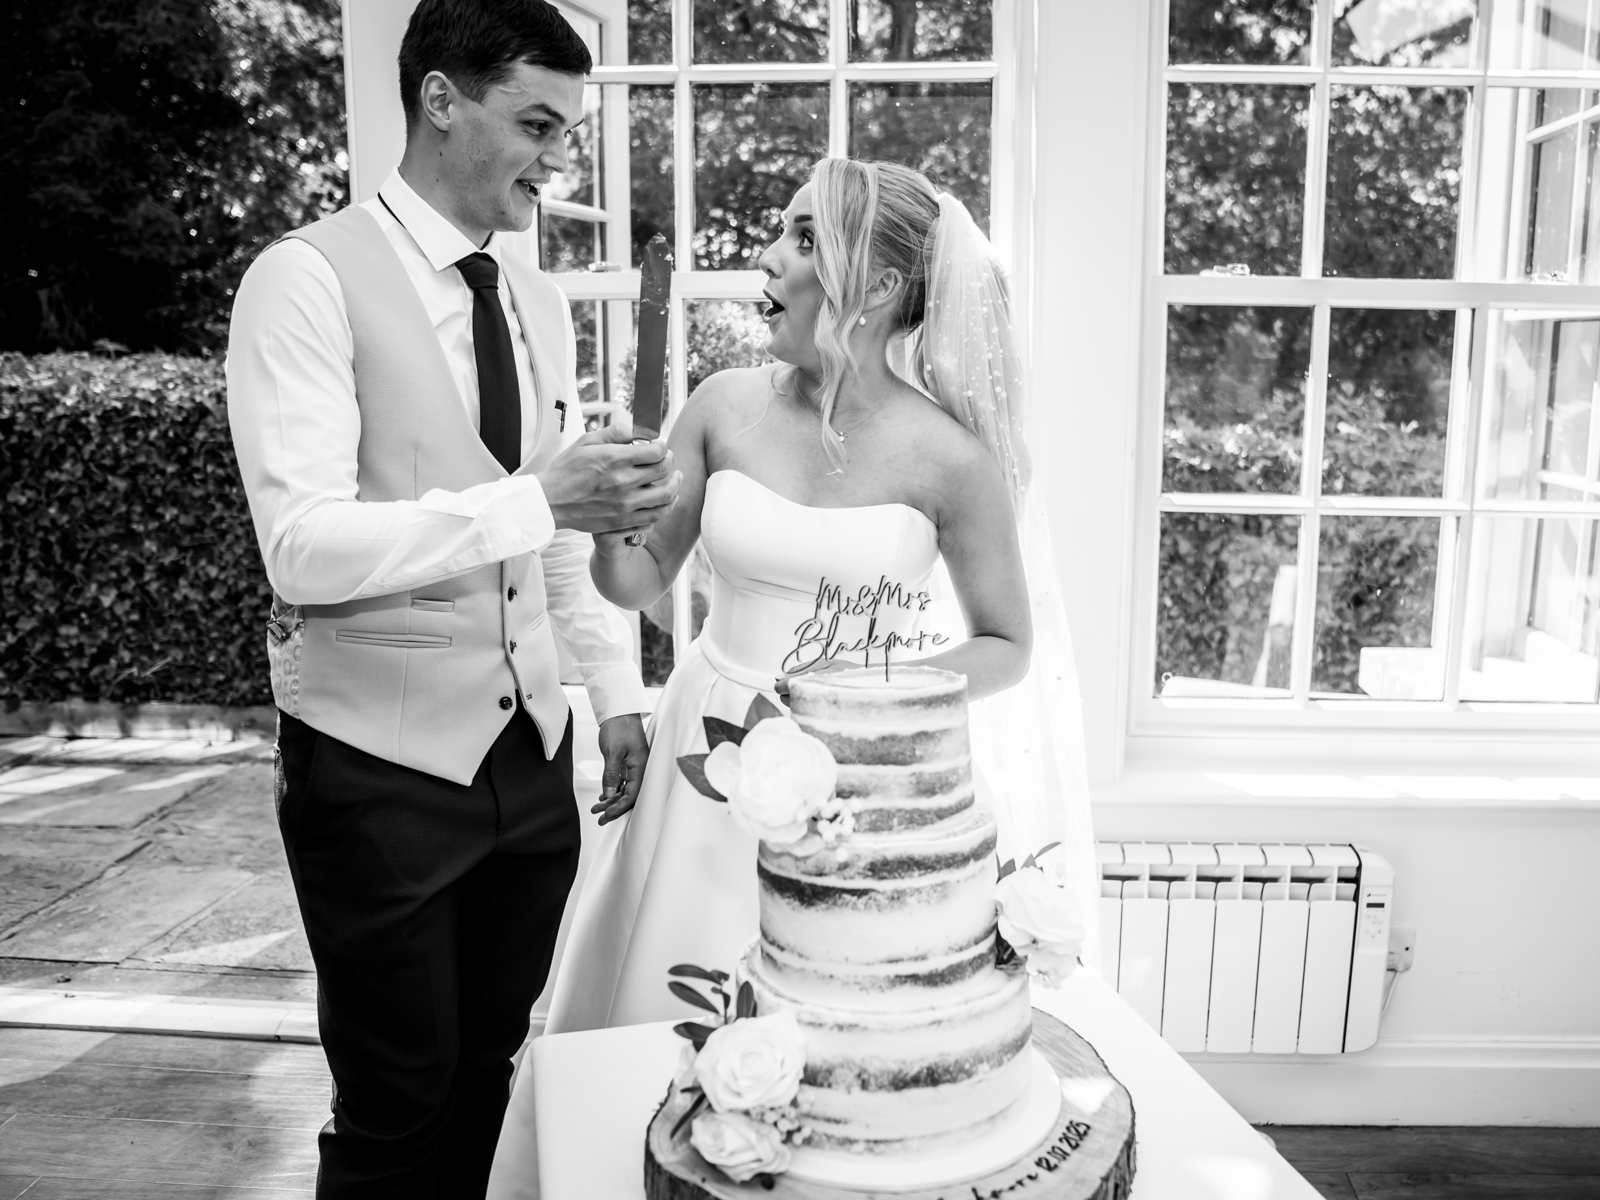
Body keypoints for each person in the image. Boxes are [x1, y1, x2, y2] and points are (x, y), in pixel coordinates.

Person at [224, 0, 676, 1193]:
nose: (557, 159)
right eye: (536, 122)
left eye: (567, 130)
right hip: (376, 772)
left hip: (529, 768)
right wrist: (537, 501)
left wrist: (616, 689)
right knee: (394, 1104)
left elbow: (563, 524)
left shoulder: (531, 296)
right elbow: (305, 549)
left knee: (487, 1072)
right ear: (440, 100)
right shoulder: (302, 283)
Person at [544, 156, 1095, 1035]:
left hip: (860, 764)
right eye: (780, 229)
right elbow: (634, 582)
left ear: (874, 283)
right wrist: (613, 516)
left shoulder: (953, 459)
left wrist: (866, 702)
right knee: (669, 996)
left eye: (803, 238)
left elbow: (1006, 643)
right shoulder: (721, 407)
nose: (767, 257)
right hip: (706, 739)